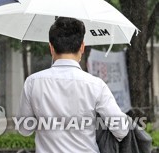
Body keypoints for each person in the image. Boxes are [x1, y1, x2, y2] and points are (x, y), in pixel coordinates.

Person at [17, 17, 129, 152]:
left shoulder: (32, 82)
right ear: (82, 47)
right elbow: (121, 130)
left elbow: (24, 129)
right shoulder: (96, 85)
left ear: (51, 47)